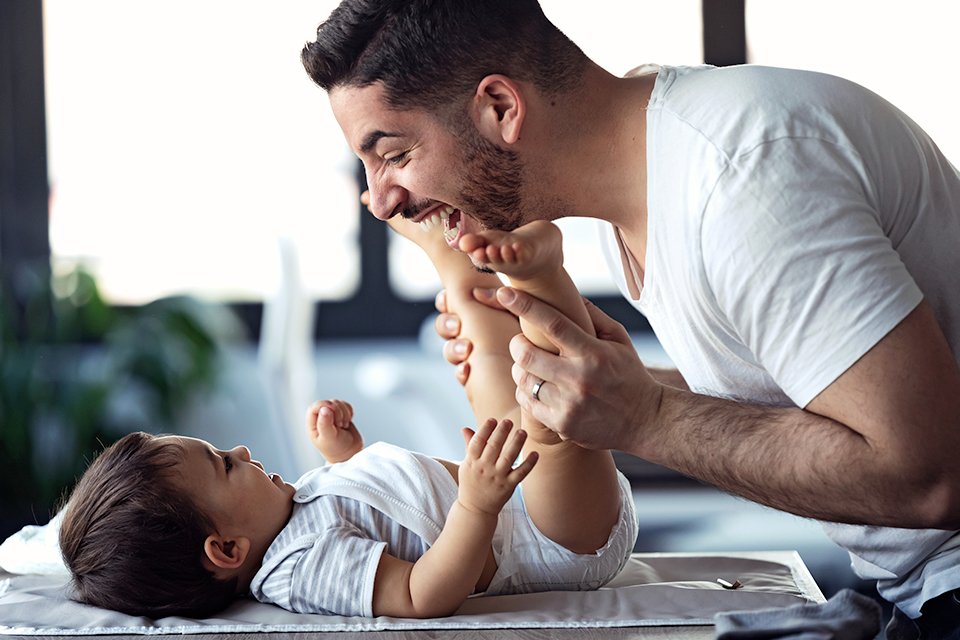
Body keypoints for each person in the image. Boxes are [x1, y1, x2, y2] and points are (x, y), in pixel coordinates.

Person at [300, 1, 960, 636]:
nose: (379, 201)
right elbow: (823, 395)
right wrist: (614, 385)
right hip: (911, 589)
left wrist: (644, 415)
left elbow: (930, 479)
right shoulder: (647, 172)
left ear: (500, 107)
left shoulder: (742, 180)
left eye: (392, 153)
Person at [57, 217, 636, 619]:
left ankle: (455, 256)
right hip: (555, 544)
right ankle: (542, 275)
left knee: (492, 366)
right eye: (225, 467)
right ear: (227, 550)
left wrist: (345, 457)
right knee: (550, 416)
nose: (240, 452)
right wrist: (476, 502)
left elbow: (377, 515)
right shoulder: (298, 570)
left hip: (518, 502)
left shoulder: (290, 514)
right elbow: (419, 593)